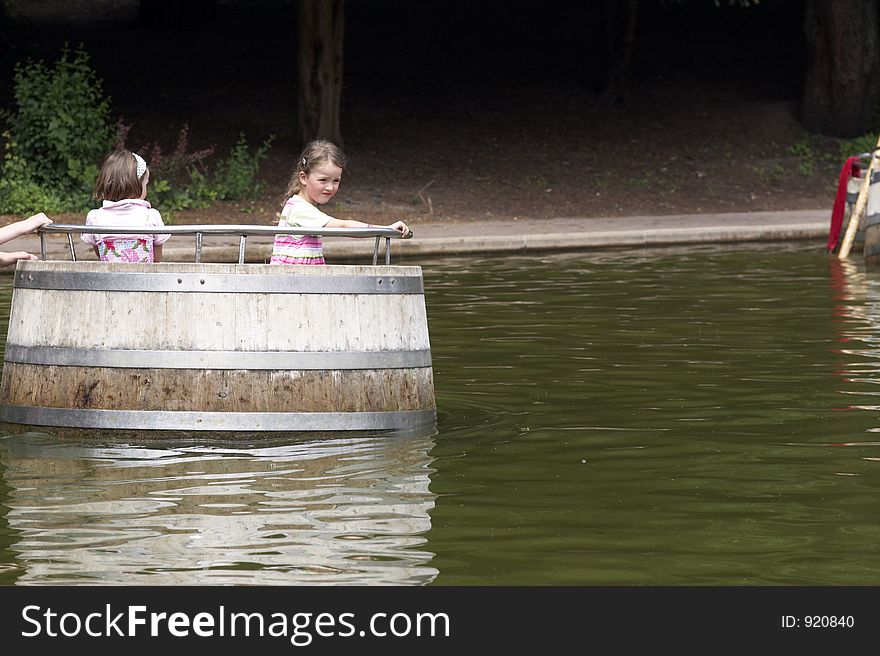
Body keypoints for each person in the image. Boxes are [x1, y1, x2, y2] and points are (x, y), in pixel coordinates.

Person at [270, 140, 409, 265]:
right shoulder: (300, 209)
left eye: (336, 180)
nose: (330, 187)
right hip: (291, 285)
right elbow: (343, 226)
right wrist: (386, 229)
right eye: (323, 180)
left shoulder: (299, 205)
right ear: (303, 178)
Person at [82, 149, 170, 263]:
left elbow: (99, 253)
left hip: (109, 279)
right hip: (144, 279)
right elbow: (157, 259)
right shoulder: (151, 216)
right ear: (137, 185)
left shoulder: (95, 217)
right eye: (145, 184)